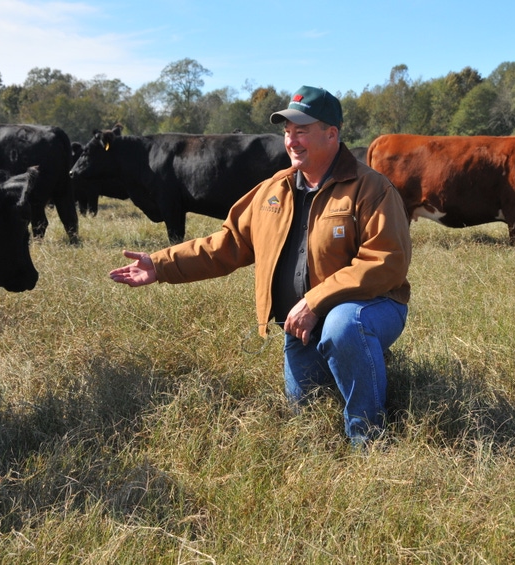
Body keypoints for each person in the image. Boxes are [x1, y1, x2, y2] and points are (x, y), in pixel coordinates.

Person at [109, 85, 412, 448]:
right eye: (287, 131)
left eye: (301, 130)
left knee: (344, 327)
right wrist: (160, 265)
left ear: (332, 134)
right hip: (301, 326)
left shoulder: (371, 188)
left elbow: (386, 262)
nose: (292, 140)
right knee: (307, 414)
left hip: (373, 307)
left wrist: (316, 302)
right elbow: (226, 245)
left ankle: (369, 439)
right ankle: (362, 362)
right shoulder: (273, 191)